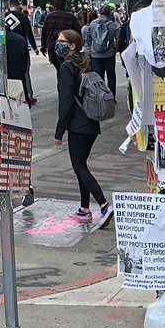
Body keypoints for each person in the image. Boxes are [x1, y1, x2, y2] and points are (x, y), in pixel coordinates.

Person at [54, 29, 113, 225]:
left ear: (72, 45)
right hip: (91, 122)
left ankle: (103, 204)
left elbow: (66, 101)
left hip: (78, 125)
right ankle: (84, 208)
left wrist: (60, 130)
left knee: (79, 167)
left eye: (62, 41)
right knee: (82, 166)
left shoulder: (66, 67)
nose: (57, 43)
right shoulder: (86, 61)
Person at [6, 0, 39, 104]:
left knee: (8, 72)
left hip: (6, 48)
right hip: (21, 48)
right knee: (25, 72)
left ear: (9, 6)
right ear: (18, 5)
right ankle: (28, 95)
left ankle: (11, 95)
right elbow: (29, 33)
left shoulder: (4, 17)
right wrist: (35, 47)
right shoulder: (23, 17)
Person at [86, 4, 119, 99]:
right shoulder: (113, 25)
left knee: (98, 78)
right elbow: (118, 40)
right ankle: (111, 97)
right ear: (109, 13)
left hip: (96, 55)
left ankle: (100, 97)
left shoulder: (92, 24)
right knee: (111, 77)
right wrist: (114, 50)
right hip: (109, 55)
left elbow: (88, 38)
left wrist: (91, 49)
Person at [41, 0, 82, 69]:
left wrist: (43, 47)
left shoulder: (49, 17)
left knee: (59, 70)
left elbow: (44, 33)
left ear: (55, 4)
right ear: (65, 4)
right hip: (68, 48)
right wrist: (79, 46)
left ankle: (61, 79)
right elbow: (77, 32)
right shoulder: (71, 17)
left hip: (52, 48)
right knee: (67, 70)